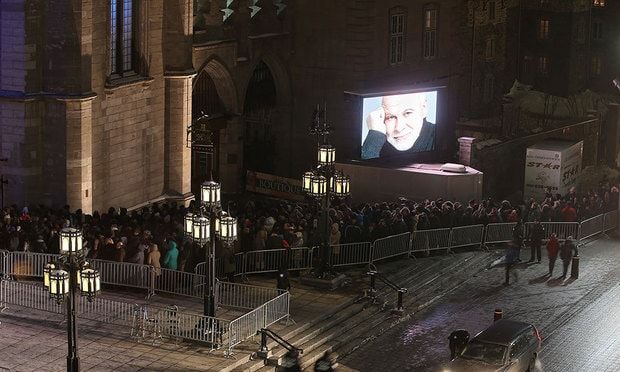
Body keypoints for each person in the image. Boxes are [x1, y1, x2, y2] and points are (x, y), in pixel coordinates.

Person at [361, 93, 435, 159]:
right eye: (391, 117)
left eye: (408, 113)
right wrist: (375, 135)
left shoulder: (443, 138)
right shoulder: (374, 143)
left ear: (424, 109)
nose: (399, 128)